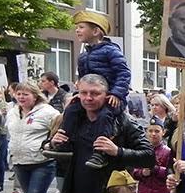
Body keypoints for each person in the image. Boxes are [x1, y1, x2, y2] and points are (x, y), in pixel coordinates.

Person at [45, 11, 132, 171]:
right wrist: (78, 94)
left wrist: (116, 93)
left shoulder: (111, 51)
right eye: (77, 27)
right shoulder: (83, 56)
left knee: (105, 115)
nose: (77, 30)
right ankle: (65, 143)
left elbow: (124, 73)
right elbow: (84, 79)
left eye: (81, 27)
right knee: (71, 110)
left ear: (96, 31)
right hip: (90, 98)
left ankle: (100, 152)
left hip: (110, 98)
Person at [6, 80, 60, 193]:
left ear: (35, 96)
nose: (21, 97)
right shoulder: (12, 111)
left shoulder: (47, 112)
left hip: (42, 161)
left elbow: (59, 130)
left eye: (25, 94)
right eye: (19, 94)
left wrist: (49, 145)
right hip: (20, 161)